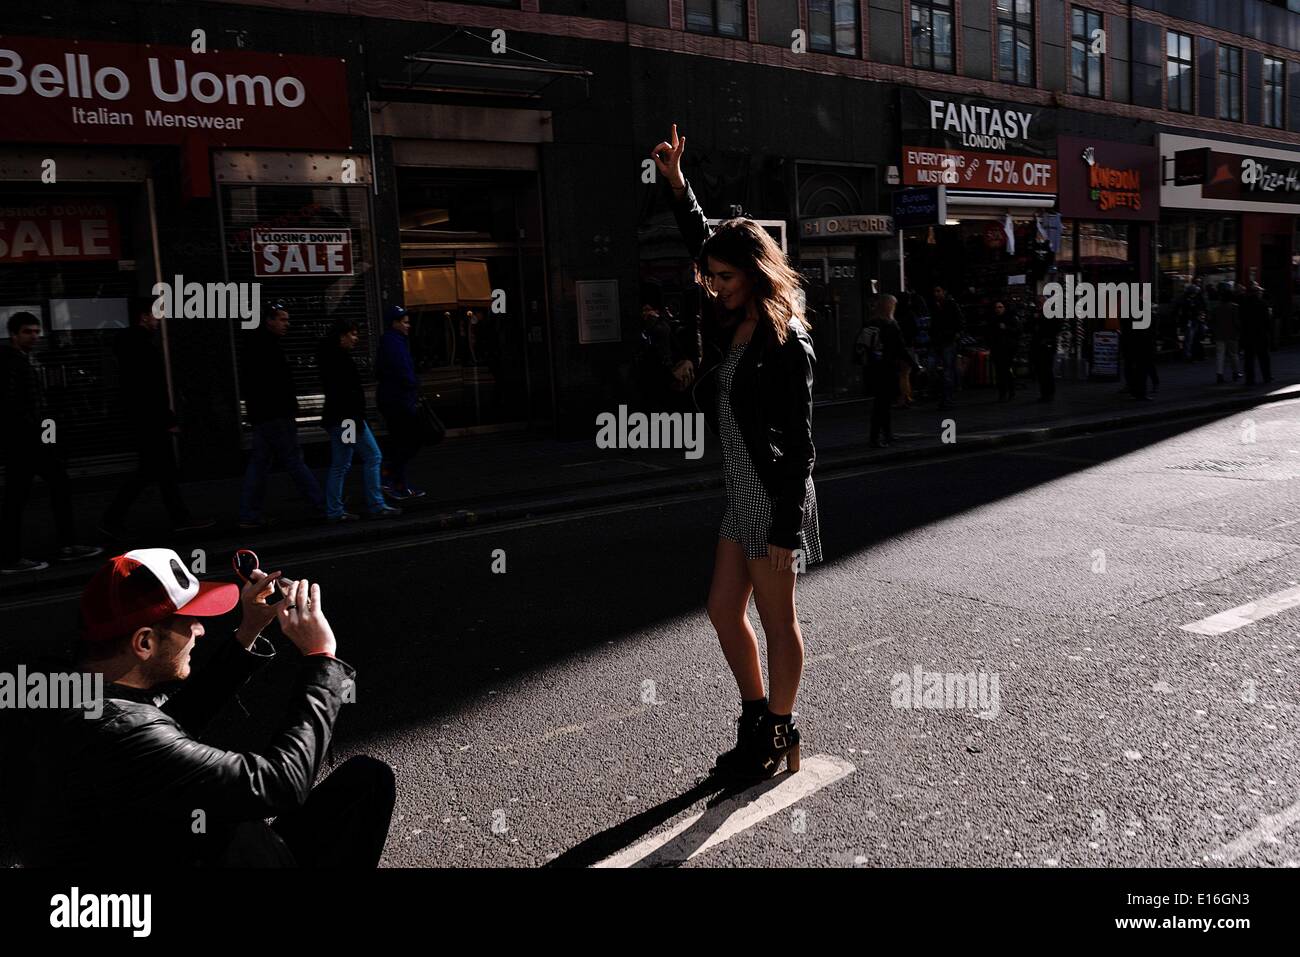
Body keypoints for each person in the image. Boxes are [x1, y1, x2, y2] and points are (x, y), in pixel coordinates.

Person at [5, 547, 395, 866]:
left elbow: (170, 721)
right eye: (189, 621)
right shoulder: (119, 732)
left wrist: (247, 632)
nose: (200, 630)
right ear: (144, 642)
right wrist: (320, 656)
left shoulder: (70, 688)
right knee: (366, 785)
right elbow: (280, 784)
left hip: (154, 842)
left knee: (367, 780)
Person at [655, 122, 819, 780]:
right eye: (711, 275)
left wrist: (786, 524)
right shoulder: (727, 314)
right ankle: (757, 715)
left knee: (779, 620)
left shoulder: (787, 342)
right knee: (724, 610)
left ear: (753, 272)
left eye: (725, 275)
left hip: (774, 493)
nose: (714, 283)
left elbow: (803, 440)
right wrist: (676, 183)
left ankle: (780, 727)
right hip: (739, 491)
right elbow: (703, 237)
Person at [101, 298, 215, 540]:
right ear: (144, 317)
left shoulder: (129, 346)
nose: (159, 320)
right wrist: (167, 418)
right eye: (155, 315)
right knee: (153, 472)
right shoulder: (142, 347)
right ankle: (113, 519)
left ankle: (176, 517)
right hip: (150, 421)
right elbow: (151, 388)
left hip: (143, 419)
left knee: (161, 473)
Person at [0, 311, 101, 574]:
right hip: (24, 444)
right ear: (13, 334)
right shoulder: (12, 363)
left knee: (52, 488)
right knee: (20, 498)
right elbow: (15, 407)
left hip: (32, 442)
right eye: (27, 332)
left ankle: (64, 546)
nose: (34, 336)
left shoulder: (23, 360)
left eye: (36, 331)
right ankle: (14, 557)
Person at [238, 302, 325, 530]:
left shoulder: (254, 345)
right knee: (294, 459)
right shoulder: (268, 347)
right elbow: (276, 384)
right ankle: (322, 504)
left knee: (259, 464)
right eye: (282, 319)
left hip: (262, 414)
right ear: (269, 320)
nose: (287, 324)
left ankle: (249, 513)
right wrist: (289, 407)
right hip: (276, 414)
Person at [317, 318, 402, 524]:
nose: (355, 338)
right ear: (342, 336)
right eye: (352, 334)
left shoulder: (329, 358)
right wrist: (355, 419)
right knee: (373, 457)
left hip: (337, 419)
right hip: (348, 420)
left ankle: (335, 511)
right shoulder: (340, 359)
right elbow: (347, 393)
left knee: (340, 465)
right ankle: (377, 505)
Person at [376, 304, 426, 500]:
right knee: (410, 440)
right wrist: (414, 384)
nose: (408, 326)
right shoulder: (393, 343)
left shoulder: (395, 341)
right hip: (398, 400)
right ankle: (389, 475)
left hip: (395, 399)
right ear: (394, 323)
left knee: (402, 442)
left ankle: (399, 483)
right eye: (404, 322)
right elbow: (403, 372)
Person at [857, 295, 905, 447]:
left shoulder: (870, 323)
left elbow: (861, 346)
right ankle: (876, 437)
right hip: (886, 370)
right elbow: (900, 348)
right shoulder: (890, 324)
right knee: (882, 405)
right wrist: (913, 364)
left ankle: (885, 434)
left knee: (882, 404)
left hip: (874, 369)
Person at [929, 284, 964, 410]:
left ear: (944, 292)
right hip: (939, 341)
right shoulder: (936, 306)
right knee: (937, 368)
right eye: (935, 291)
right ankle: (943, 395)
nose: (936, 294)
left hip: (947, 341)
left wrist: (951, 334)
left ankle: (947, 397)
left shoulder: (951, 305)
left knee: (947, 370)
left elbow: (960, 322)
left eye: (938, 291)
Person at [1027, 293, 1060, 402]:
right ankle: (1044, 393)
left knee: (1046, 370)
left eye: (1041, 302)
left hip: (1047, 346)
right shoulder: (1035, 313)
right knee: (1040, 371)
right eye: (1038, 302)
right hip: (1037, 346)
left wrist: (1048, 339)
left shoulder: (1051, 313)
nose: (1039, 304)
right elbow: (1029, 327)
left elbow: (1055, 328)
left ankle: (1049, 393)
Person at [1241, 282, 1273, 386]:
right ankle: (1266, 377)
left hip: (1248, 335)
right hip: (1261, 334)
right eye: (1260, 291)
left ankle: (1250, 379)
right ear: (1257, 293)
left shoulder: (1244, 304)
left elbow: (1241, 320)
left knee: (1249, 359)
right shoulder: (1263, 304)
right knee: (1264, 358)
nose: (1261, 293)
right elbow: (1268, 320)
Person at [1211, 282, 1241, 385]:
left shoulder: (1216, 308)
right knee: (1233, 354)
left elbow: (1212, 321)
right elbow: (1237, 322)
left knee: (1220, 355)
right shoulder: (1235, 307)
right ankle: (1235, 372)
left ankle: (1219, 374)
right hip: (1232, 334)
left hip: (1219, 334)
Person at [990, 300, 1019, 401]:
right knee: (999, 372)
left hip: (1008, 349)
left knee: (1007, 371)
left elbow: (1017, 331)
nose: (998, 309)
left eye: (1000, 307)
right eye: (996, 307)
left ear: (1004, 308)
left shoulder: (1010, 318)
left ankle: (1011, 391)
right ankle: (1002, 393)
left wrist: (1006, 328)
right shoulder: (993, 320)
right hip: (997, 350)